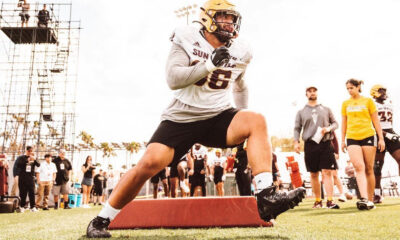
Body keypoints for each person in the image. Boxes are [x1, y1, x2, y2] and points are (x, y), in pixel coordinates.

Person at [86, 0, 305, 237]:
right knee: (149, 164)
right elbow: (173, 79)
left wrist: (242, 121)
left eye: (233, 18)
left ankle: (266, 197)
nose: (230, 23)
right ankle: (101, 220)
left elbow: (240, 86)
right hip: (182, 117)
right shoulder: (186, 37)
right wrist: (209, 64)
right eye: (224, 17)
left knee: (256, 120)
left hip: (218, 115)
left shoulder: (241, 49)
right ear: (208, 18)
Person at [341, 79, 385, 210]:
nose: (349, 91)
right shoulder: (345, 103)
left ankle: (370, 200)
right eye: (347, 88)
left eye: (351, 88)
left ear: (358, 87)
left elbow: (376, 121)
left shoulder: (368, 101)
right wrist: (342, 140)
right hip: (352, 137)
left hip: (368, 136)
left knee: (369, 169)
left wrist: (381, 138)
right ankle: (364, 198)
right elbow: (344, 123)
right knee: (358, 167)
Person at [294, 86, 340, 209]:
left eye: (314, 91)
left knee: (327, 172)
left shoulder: (326, 109)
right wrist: (296, 142)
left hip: (325, 143)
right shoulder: (301, 112)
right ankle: (318, 201)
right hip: (310, 144)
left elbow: (336, 123)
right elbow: (297, 128)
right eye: (310, 91)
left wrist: (329, 128)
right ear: (306, 94)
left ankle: (330, 200)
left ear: (317, 93)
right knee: (314, 173)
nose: (312, 93)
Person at [370, 85, 400, 204]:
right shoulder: (372, 105)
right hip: (377, 134)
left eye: (385, 90)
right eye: (381, 91)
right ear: (375, 93)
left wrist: (390, 133)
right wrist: (385, 135)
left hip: (390, 132)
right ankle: (377, 193)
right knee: (377, 165)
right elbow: (371, 124)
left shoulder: (390, 103)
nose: (384, 93)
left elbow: (390, 121)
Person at [15, 146, 40, 212]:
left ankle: (33, 207)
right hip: (22, 178)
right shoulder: (21, 157)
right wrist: (27, 160)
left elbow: (38, 164)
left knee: (32, 192)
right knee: (23, 193)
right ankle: (22, 206)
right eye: (29, 151)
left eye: (31, 151)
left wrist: (34, 159)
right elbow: (18, 165)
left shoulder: (34, 158)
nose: (30, 152)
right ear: (26, 151)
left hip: (31, 178)